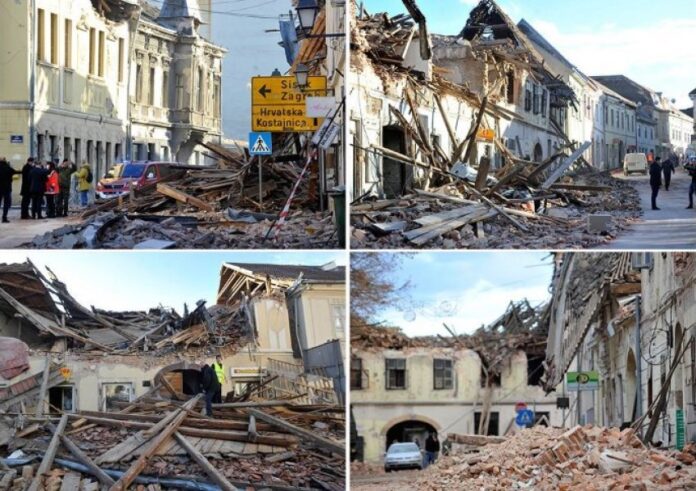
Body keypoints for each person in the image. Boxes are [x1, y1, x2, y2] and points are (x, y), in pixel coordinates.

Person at [0, 157, 20, 223]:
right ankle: (4, 218)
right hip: (7, 188)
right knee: (6, 204)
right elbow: (16, 172)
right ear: (5, 161)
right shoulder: (8, 168)